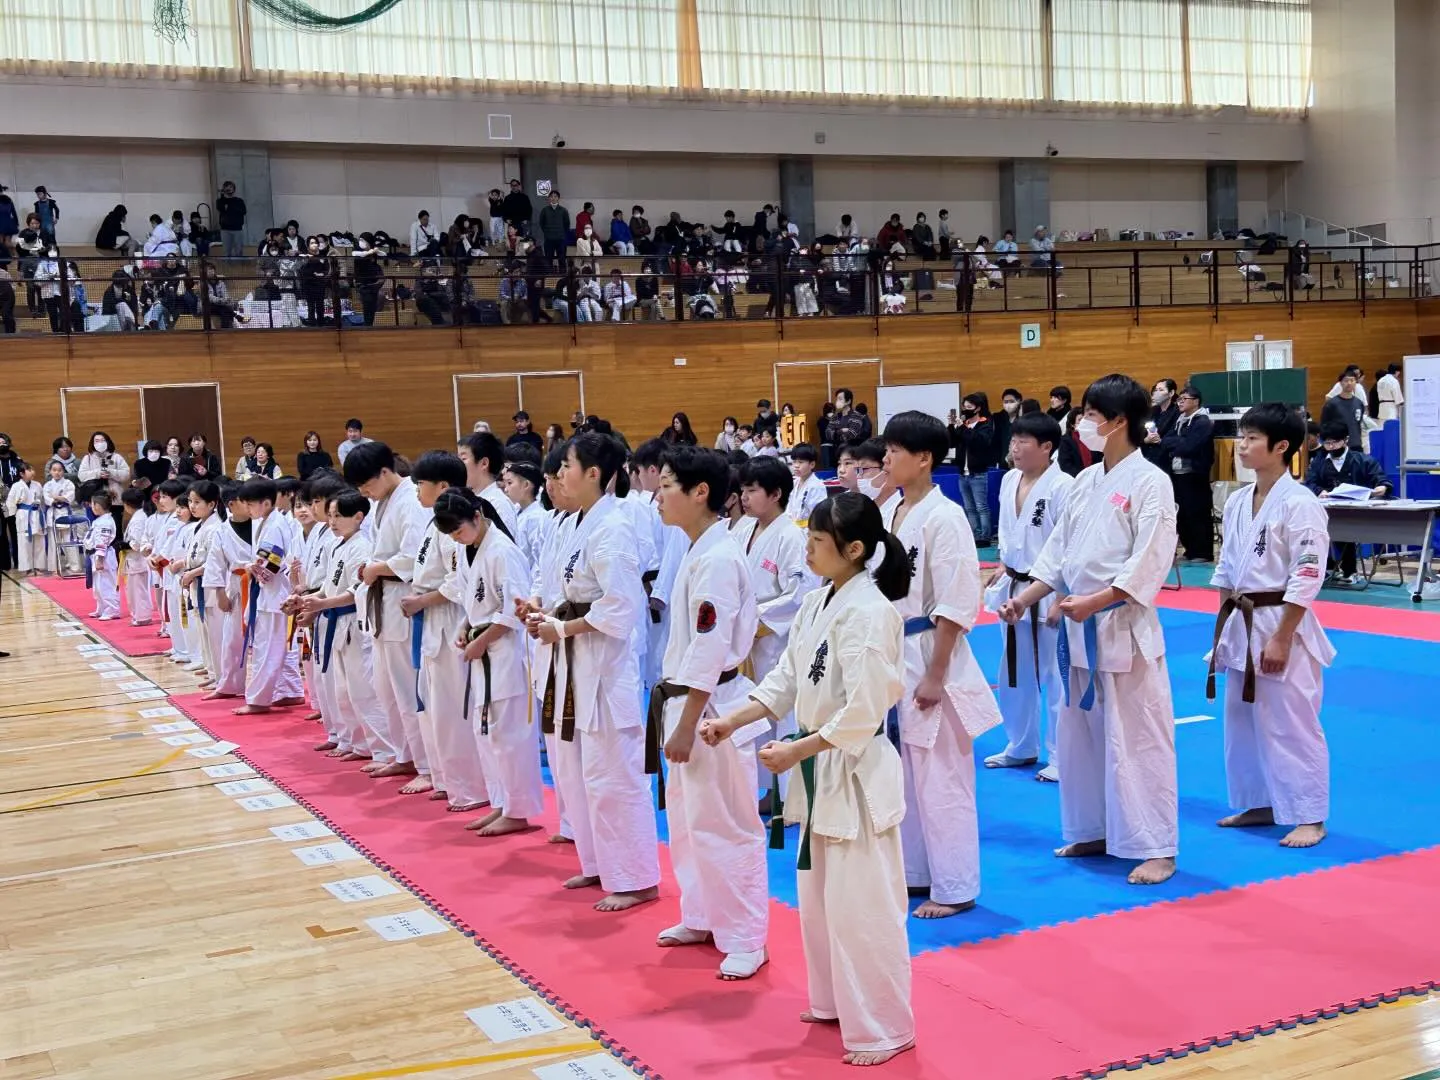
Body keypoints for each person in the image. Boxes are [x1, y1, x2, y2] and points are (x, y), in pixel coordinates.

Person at [701, 491, 915, 1067]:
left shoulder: (872, 613)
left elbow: (866, 712)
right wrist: (731, 719)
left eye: (818, 542)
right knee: (820, 900)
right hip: (820, 768)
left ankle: (885, 1027)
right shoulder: (821, 601)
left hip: (853, 769)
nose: (808, 551)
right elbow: (785, 681)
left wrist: (799, 748)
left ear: (854, 550)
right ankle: (834, 1001)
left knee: (862, 905)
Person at [999, 374, 1180, 887]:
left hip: (1120, 624)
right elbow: (1059, 551)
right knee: (1080, 738)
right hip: (1077, 629)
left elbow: (1152, 557)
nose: (1084, 424)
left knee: (1138, 738)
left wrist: (1100, 599)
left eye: (1090, 415)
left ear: (1119, 421)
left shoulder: (1151, 481)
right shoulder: (1086, 481)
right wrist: (1026, 599)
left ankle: (1156, 846)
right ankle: (1094, 829)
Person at [522, 431, 661, 912]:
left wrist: (561, 627)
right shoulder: (573, 522)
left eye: (567, 468)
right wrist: (540, 610)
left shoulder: (614, 526)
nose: (559, 475)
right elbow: (553, 582)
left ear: (595, 474)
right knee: (580, 771)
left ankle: (637, 877)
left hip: (604, 666)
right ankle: (599, 862)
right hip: (573, 658)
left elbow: (620, 607)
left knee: (614, 775)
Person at [650, 446, 769, 979]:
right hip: (686, 699)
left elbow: (710, 646)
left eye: (668, 484)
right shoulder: (698, 549)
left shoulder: (718, 558)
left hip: (711, 708)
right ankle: (701, 914)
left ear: (701, 492)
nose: (658, 494)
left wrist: (686, 722)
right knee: (688, 820)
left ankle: (746, 936)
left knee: (727, 823)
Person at [881, 411, 1002, 919]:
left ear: (924, 458)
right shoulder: (894, 511)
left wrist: (936, 673)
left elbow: (956, 601)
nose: (885, 458)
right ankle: (917, 873)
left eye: (894, 450)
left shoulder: (945, 516)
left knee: (943, 778)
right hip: (896, 654)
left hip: (934, 653)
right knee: (906, 774)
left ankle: (955, 886)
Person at [1208, 403, 1332, 850]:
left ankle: (1309, 815)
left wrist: (1283, 636)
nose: (1241, 445)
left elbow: (1307, 574)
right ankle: (1259, 802)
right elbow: (1226, 569)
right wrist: (1221, 635)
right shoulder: (1240, 499)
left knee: (1290, 720)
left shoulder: (1301, 503)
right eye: (1241, 437)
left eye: (1251, 438)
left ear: (1281, 447)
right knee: (1241, 720)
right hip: (1242, 622)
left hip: (1281, 622)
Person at [434, 487, 541, 835]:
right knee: (488, 734)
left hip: (507, 653)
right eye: (451, 534)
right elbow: (472, 603)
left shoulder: (503, 551)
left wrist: (481, 640)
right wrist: (466, 628)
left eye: (460, 530)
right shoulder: (470, 550)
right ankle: (500, 803)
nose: (457, 538)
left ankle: (518, 810)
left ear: (477, 517)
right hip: (483, 648)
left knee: (509, 736)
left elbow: (514, 611)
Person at [984, 412, 1075, 782]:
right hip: (1015, 588)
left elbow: (1069, 548)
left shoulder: (1064, 486)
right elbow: (1010, 533)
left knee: (1055, 677)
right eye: (1013, 441)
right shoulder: (1008, 480)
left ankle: (1060, 755)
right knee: (1014, 671)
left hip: (1050, 590)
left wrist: (1060, 596)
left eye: (1023, 442)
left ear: (1047, 447)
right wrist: (1004, 565)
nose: (1015, 448)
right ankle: (1020, 745)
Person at [346, 441, 434, 787]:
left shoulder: (411, 501)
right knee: (386, 689)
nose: (364, 492)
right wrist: (371, 569)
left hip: (402, 601)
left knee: (408, 689)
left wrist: (376, 568)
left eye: (366, 484)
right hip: (382, 604)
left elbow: (414, 558)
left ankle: (427, 766)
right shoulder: (383, 502)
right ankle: (405, 755)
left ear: (386, 471)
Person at [732, 456, 817, 801]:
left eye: (752, 490)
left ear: (776, 493)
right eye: (743, 490)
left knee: (781, 713)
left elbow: (799, 595)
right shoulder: (740, 530)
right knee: (749, 715)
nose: (744, 497)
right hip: (742, 640)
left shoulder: (792, 536)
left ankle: (787, 796)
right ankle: (762, 789)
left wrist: (753, 620)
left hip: (774, 642)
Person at [235, 476, 303, 715]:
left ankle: (258, 700)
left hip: (275, 595)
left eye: (250, 504)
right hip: (274, 595)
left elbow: (269, 568)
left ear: (265, 502)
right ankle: (290, 691)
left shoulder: (274, 525)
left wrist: (253, 568)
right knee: (280, 646)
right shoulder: (270, 521)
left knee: (267, 649)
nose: (248, 509)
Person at [1304, 420, 1391, 584]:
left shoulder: (1362, 460)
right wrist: (1319, 491)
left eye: (1334, 442)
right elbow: (1310, 482)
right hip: (1327, 510)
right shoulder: (1319, 461)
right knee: (1322, 531)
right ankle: (1329, 568)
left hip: (1356, 511)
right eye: (1327, 443)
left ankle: (1348, 570)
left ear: (1346, 440)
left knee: (1345, 530)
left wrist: (1382, 487)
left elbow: (1380, 478)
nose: (1330, 447)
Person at [1159, 385, 1215, 562]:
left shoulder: (1203, 422)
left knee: (1197, 512)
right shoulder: (1180, 420)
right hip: (1177, 473)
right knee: (1182, 513)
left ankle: (1202, 552)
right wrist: (1177, 443)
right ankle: (1190, 549)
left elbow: (1189, 446)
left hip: (1195, 473)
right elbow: (1164, 440)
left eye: (1185, 399)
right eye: (1179, 399)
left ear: (1196, 401)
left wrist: (1176, 444)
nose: (1181, 402)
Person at [950, 393, 997, 544]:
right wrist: (952, 426)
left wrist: (963, 428)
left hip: (978, 472)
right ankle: (974, 534)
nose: (966, 410)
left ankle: (985, 536)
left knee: (981, 506)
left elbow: (979, 442)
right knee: (969, 507)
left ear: (978, 408)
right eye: (964, 407)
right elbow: (951, 442)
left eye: (969, 407)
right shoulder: (964, 425)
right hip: (962, 473)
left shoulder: (985, 424)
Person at [459, 431, 520, 537]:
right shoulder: (472, 498)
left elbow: (504, 548)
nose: (458, 464)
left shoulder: (499, 504)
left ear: (484, 463)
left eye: (463, 459)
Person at [120, 487, 155, 625]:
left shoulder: (138, 519)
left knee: (138, 590)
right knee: (134, 590)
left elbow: (139, 542)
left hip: (138, 560)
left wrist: (127, 544)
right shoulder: (139, 516)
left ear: (127, 504)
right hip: (134, 561)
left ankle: (142, 617)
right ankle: (138, 616)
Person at [3, 462, 44, 573]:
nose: (32, 472)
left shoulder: (38, 485)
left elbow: (41, 500)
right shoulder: (16, 486)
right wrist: (9, 515)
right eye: (29, 470)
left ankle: (38, 566)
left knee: (39, 541)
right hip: (23, 515)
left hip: (35, 513)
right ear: (22, 473)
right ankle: (27, 568)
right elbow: (10, 502)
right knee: (24, 542)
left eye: (32, 469)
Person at [86, 490, 121, 620]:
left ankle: (112, 609)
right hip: (95, 554)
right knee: (98, 586)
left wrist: (100, 559)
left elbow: (102, 541)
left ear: (97, 506)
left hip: (104, 556)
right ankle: (101, 608)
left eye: (92, 503)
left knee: (107, 584)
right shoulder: (99, 520)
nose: (91, 506)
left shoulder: (105, 522)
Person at [1320, 369, 1367, 452]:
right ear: (1340, 383)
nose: (1349, 383)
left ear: (1356, 382)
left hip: (1356, 445)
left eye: (1352, 380)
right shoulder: (1332, 404)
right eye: (1346, 380)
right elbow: (1324, 425)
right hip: (1338, 446)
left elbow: (1359, 423)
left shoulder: (1359, 403)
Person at [78, 432, 130, 500]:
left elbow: (126, 475)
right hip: (94, 498)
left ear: (108, 442)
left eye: (103, 440)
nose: (100, 443)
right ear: (92, 444)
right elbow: (81, 476)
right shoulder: (88, 458)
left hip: (115, 497)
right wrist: (98, 473)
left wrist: (111, 473)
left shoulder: (116, 457)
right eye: (97, 441)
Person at [1143, 379, 1180, 470]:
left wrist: (1160, 440)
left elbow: (1176, 436)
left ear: (1171, 393)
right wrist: (1145, 440)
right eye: (1156, 390)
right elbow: (1141, 432)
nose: (1156, 393)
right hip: (1148, 457)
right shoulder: (1152, 411)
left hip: (1166, 460)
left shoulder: (1177, 412)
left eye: (1161, 390)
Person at [788, 443, 827, 524]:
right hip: (792, 527)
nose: (796, 466)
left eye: (800, 462)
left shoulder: (817, 486)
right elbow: (789, 509)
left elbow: (818, 514)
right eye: (794, 462)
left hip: (808, 529)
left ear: (812, 464)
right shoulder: (794, 483)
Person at [216, 181, 247, 258]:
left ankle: (239, 266)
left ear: (234, 189)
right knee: (227, 251)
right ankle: (228, 268)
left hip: (237, 229)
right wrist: (223, 195)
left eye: (231, 187)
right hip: (225, 229)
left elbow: (243, 211)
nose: (229, 189)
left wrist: (229, 207)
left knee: (239, 250)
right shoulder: (220, 201)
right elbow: (220, 208)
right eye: (227, 187)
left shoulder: (239, 201)